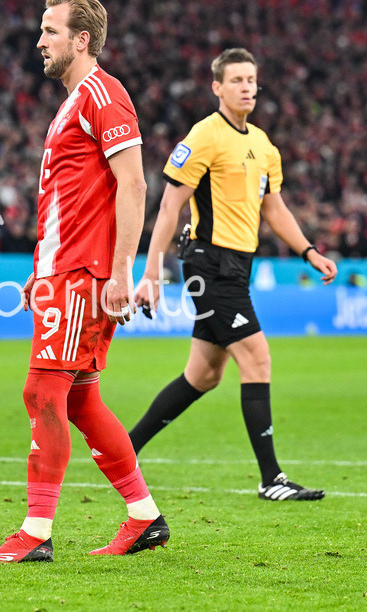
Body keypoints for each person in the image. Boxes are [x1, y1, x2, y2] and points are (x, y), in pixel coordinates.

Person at [0, 0, 168, 564]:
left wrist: (120, 271)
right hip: (64, 270)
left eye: (50, 31)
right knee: (80, 400)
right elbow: (68, 200)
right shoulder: (74, 101)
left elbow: (133, 185)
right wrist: (40, 268)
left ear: (81, 40)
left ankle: (35, 532)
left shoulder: (104, 97)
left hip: (86, 274)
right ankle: (144, 517)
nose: (39, 41)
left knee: (43, 391)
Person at [130, 48, 338, 500]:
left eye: (251, 80)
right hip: (208, 263)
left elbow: (273, 208)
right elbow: (170, 204)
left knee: (204, 375)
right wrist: (150, 271)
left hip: (238, 267)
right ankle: (271, 479)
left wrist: (308, 251)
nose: (247, 87)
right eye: (237, 80)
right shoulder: (205, 136)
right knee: (257, 357)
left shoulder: (264, 146)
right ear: (217, 87)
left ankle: (124, 450)